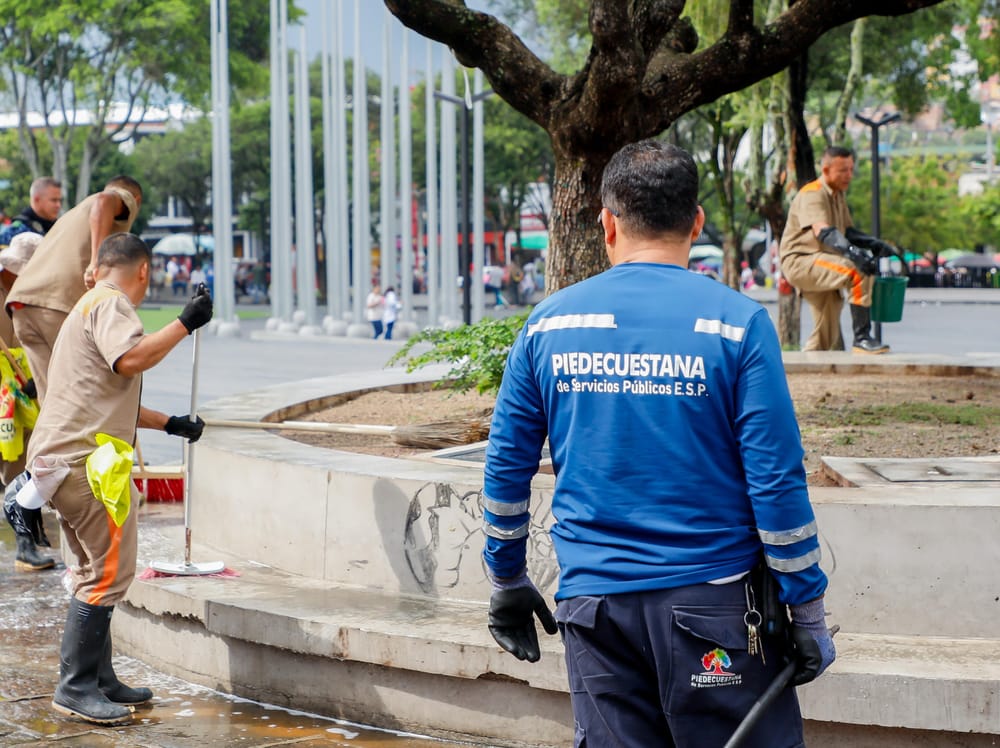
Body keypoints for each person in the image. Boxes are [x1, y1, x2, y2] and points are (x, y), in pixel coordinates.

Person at [481, 140, 834, 747]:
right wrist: (806, 609)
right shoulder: (737, 324)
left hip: (595, 611)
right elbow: (776, 481)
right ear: (696, 222)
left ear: (607, 222)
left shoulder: (550, 324)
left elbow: (507, 467)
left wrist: (506, 578)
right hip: (717, 612)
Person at [17, 232, 213, 726]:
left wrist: (170, 423)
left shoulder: (84, 306)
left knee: (90, 572)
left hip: (62, 461)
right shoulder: (112, 304)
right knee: (108, 574)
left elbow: (105, 396)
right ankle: (76, 686)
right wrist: (185, 323)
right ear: (143, 271)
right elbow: (130, 360)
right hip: (88, 465)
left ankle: (99, 679)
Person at [5, 175, 143, 403]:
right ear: (135, 200)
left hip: (23, 304)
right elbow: (104, 200)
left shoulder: (71, 215)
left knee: (54, 401)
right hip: (56, 303)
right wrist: (96, 259)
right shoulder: (120, 198)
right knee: (96, 391)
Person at [779, 146, 896, 354]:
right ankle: (862, 338)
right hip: (801, 261)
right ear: (825, 170)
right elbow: (823, 230)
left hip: (820, 261)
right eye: (843, 170)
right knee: (858, 271)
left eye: (851, 169)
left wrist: (873, 243)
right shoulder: (813, 193)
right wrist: (853, 254)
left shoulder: (837, 195)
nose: (849, 175)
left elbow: (847, 231)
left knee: (827, 331)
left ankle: (807, 370)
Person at [0, 232, 53, 572]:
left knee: (22, 467)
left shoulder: (28, 295)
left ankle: (25, 546)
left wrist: (36, 378)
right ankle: (25, 546)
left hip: (21, 392)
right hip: (5, 394)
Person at [0, 177, 63, 248]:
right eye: (53, 200)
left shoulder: (59, 228)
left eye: (60, 200)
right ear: (37, 200)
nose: (58, 205)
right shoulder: (17, 231)